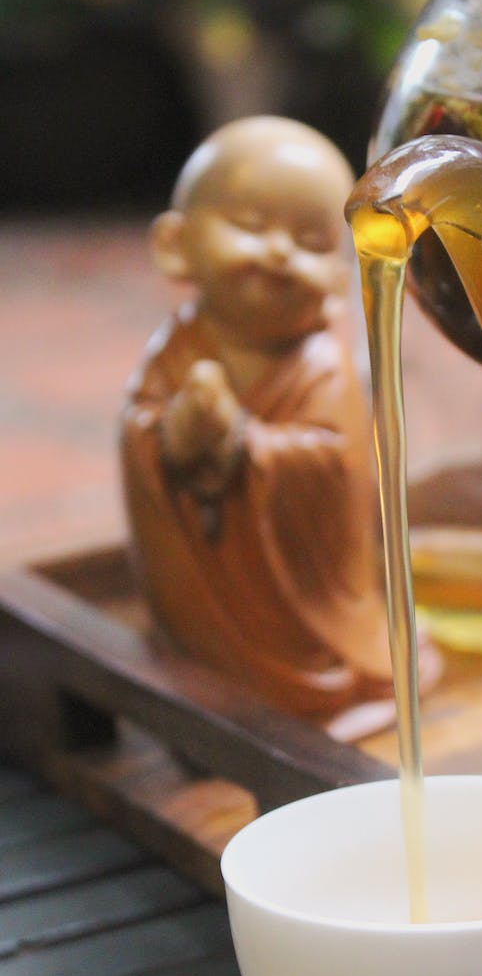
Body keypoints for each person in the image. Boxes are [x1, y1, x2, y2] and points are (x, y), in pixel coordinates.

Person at [121, 116, 425, 731]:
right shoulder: (174, 351)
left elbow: (336, 466)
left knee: (317, 671)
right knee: (196, 671)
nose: (279, 251)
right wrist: (169, 437)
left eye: (312, 240)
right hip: (207, 603)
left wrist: (241, 443)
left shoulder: (321, 368)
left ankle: (315, 686)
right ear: (174, 244)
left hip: (301, 618)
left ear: (340, 283)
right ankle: (203, 663)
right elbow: (141, 431)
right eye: (252, 226)